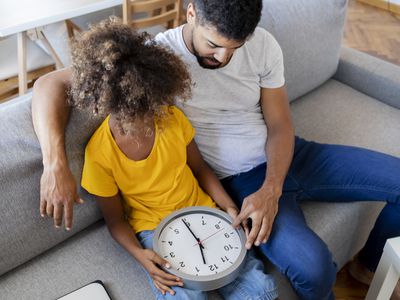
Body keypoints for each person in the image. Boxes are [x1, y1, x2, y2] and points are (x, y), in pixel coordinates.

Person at [31, 1, 400, 299]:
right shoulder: (154, 58)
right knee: (314, 267)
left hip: (289, 156)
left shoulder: (264, 45)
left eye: (234, 48)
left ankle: (366, 267)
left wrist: (271, 189)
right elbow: (49, 84)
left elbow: (280, 125)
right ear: (191, 12)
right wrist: (54, 163)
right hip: (234, 181)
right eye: (213, 45)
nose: (223, 58)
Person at [66, 19, 278, 300]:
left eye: (149, 111)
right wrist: (140, 255)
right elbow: (115, 221)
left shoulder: (171, 119)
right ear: (107, 106)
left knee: (261, 289)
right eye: (133, 117)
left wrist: (227, 206)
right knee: (186, 297)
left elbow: (200, 169)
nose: (145, 124)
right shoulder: (99, 155)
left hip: (203, 210)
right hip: (153, 229)